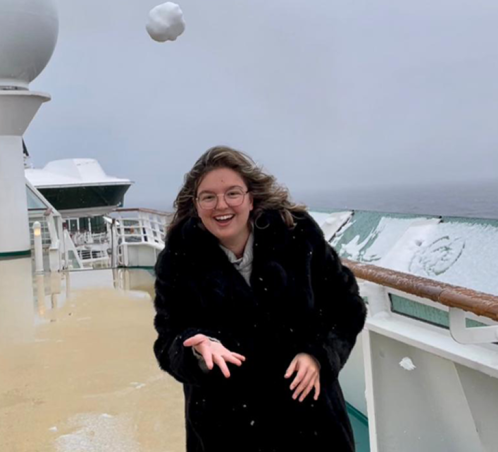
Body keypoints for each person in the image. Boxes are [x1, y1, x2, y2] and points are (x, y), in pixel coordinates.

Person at [152, 146, 367, 451]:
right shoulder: (179, 258)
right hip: (226, 429)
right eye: (208, 196)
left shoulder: (298, 234)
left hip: (310, 421)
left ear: (251, 198)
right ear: (196, 205)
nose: (221, 205)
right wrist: (196, 349)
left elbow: (346, 307)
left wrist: (318, 354)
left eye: (233, 193)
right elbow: (168, 339)